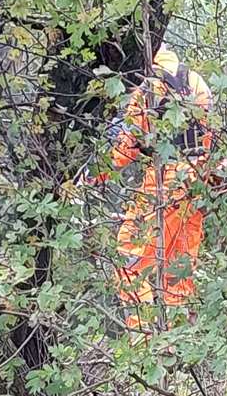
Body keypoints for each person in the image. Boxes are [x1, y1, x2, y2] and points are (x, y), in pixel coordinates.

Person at [90, 49, 213, 330]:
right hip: (197, 182)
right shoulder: (193, 80)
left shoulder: (150, 87)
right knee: (177, 269)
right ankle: (178, 346)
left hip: (166, 181)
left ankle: (145, 344)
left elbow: (124, 150)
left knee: (129, 257)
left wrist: (87, 176)